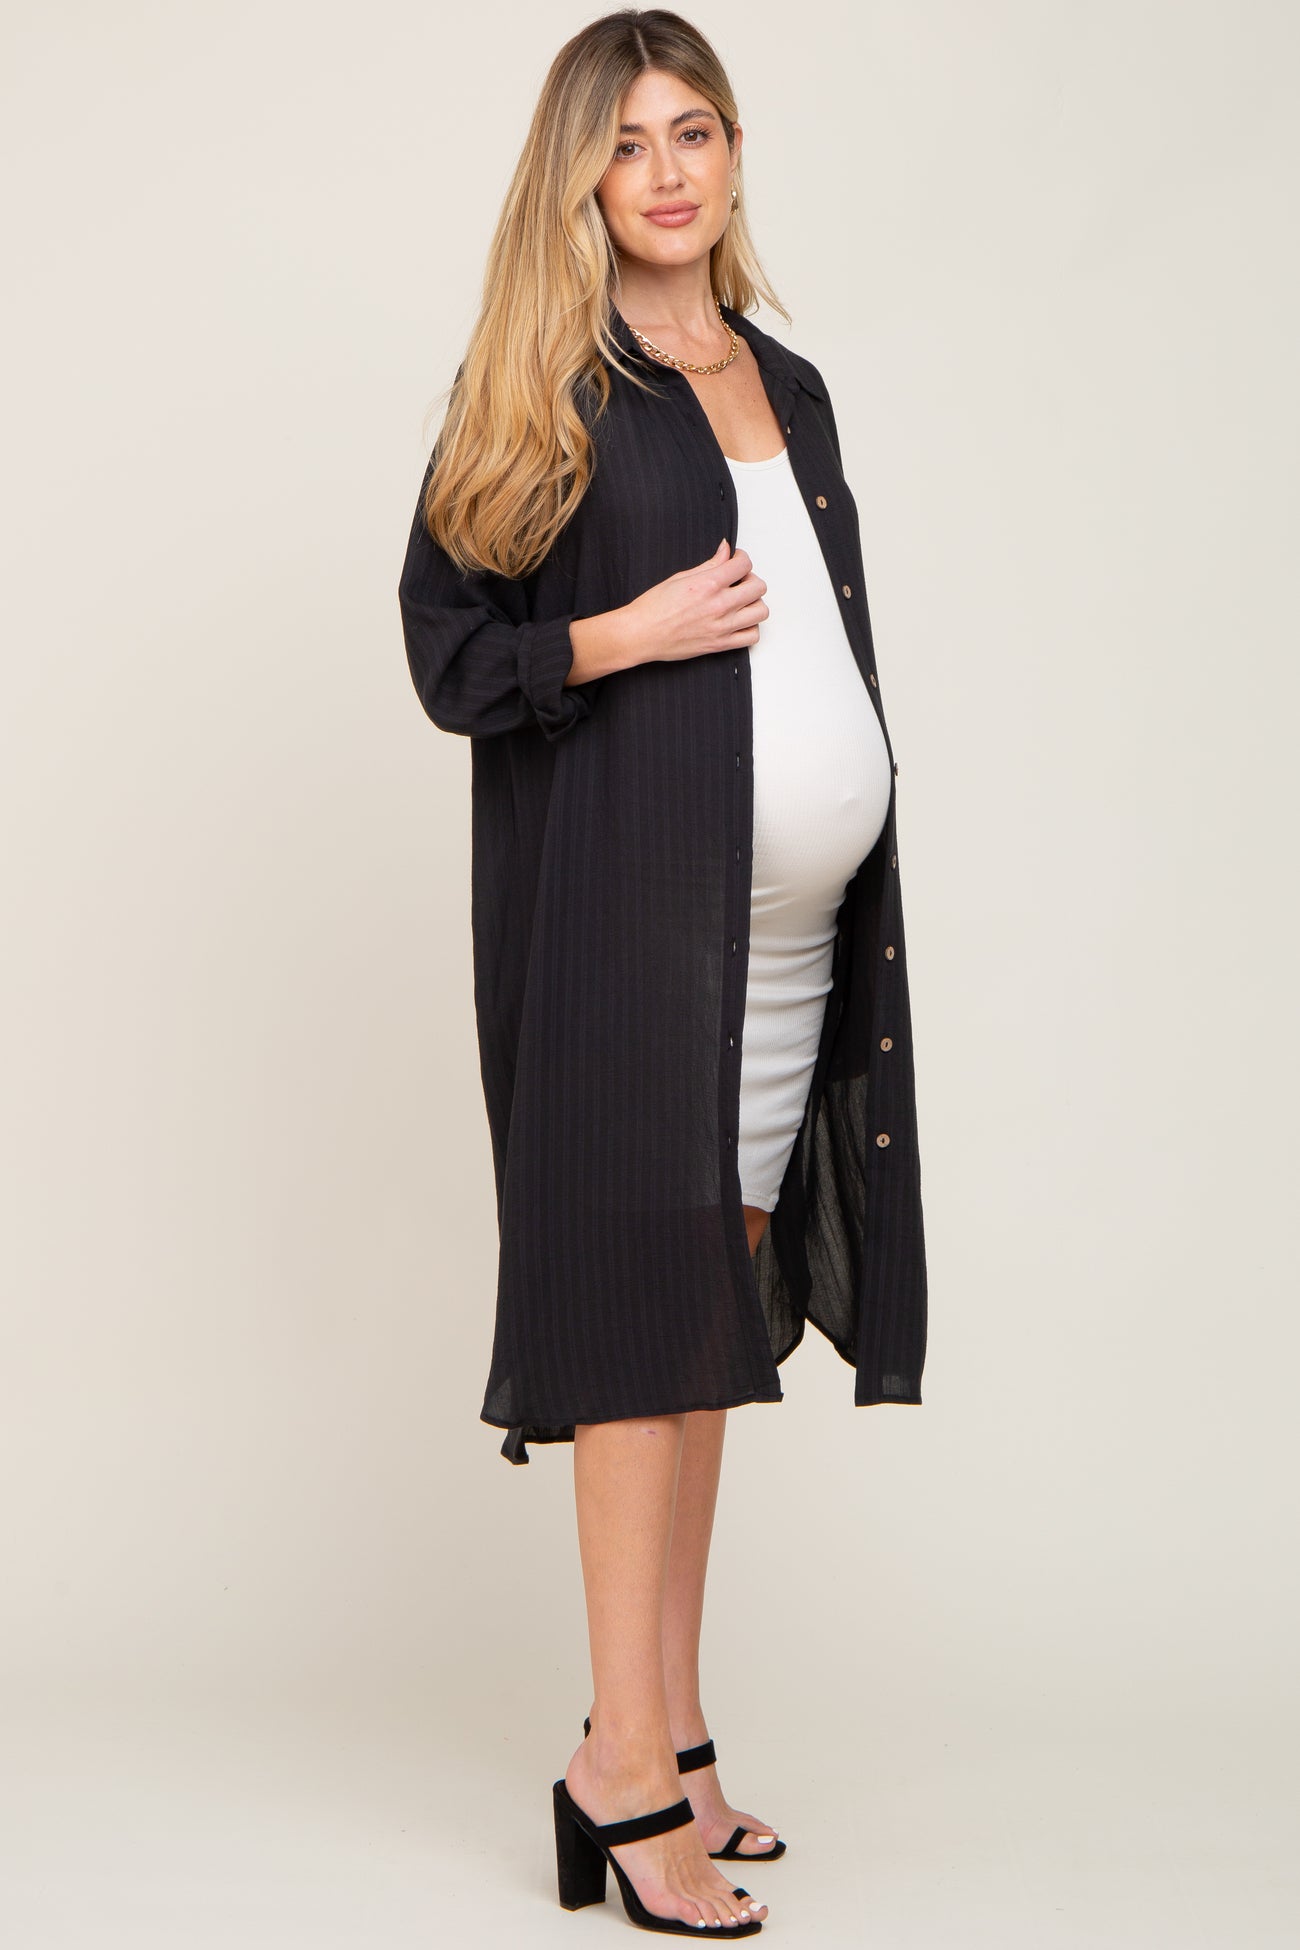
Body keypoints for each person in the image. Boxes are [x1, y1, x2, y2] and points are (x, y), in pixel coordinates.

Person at [397, 9, 928, 1937]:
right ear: (581, 179)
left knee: (707, 1333)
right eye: (626, 143)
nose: (668, 171)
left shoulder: (786, 378)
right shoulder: (546, 382)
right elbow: (450, 646)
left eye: (693, 130)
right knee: (639, 1337)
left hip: (785, 953)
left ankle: (672, 1728)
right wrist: (619, 634)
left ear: (732, 151)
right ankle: (617, 1768)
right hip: (637, 933)